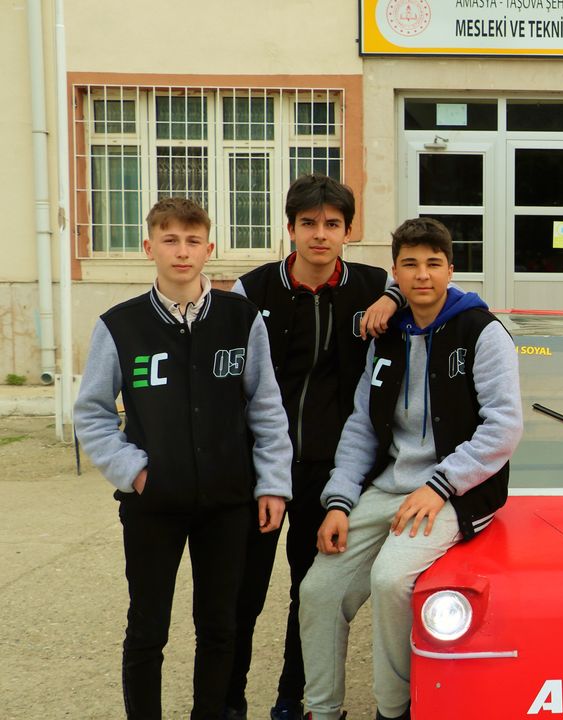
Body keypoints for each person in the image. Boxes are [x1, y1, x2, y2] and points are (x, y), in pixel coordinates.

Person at [74, 197, 292, 720]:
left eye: (193, 241)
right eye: (169, 240)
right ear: (148, 247)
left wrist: (272, 483)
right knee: (148, 628)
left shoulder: (240, 319)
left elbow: (266, 407)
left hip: (227, 502)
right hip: (154, 504)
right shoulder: (120, 326)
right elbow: (92, 413)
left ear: (208, 248)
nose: (182, 251)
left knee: (219, 626)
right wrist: (135, 473)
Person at [298, 217, 522, 720]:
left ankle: (394, 708)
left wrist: (440, 486)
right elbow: (361, 426)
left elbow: (504, 428)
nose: (422, 274)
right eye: (410, 264)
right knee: (319, 590)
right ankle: (323, 710)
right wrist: (339, 502)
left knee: (390, 579)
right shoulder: (387, 337)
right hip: (387, 487)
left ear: (451, 270)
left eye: (433, 264)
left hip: (456, 490)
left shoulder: (482, 332)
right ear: (394, 273)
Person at [224, 174, 402, 720]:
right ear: (290, 229)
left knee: (310, 594)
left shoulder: (372, 286)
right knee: (242, 596)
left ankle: (290, 698)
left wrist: (392, 297)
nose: (319, 235)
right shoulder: (253, 291)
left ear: (348, 231)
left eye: (331, 224)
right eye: (308, 224)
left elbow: (431, 287)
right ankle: (229, 701)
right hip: (259, 471)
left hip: (330, 474)